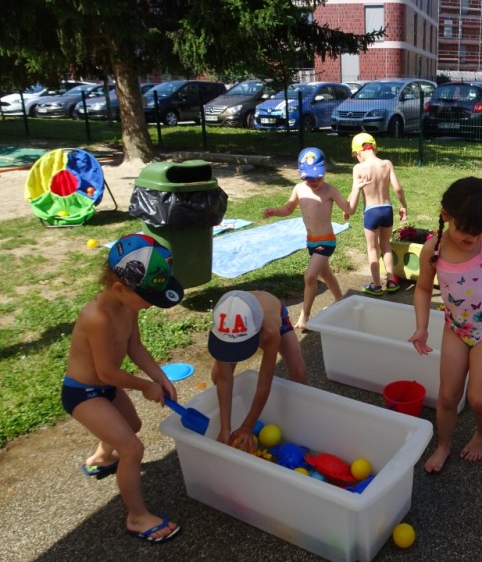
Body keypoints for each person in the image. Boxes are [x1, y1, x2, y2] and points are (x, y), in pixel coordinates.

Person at [62, 233, 184, 543]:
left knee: (132, 425)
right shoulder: (98, 317)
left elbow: (134, 347)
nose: (151, 304)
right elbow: (106, 371)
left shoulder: (128, 306)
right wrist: (145, 386)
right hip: (83, 393)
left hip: (106, 388)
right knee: (132, 448)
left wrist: (159, 378)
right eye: (148, 297)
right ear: (119, 287)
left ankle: (101, 458)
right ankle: (137, 518)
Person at [408, 176, 482, 473]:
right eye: (464, 230)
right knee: (447, 396)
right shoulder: (433, 250)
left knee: (479, 399)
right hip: (456, 329)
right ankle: (444, 444)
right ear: (446, 216)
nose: (472, 238)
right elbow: (423, 289)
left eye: (479, 231)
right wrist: (422, 327)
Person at [263, 147, 366, 330]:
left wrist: (356, 189)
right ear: (299, 173)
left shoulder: (330, 191)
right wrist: (274, 211)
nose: (314, 181)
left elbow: (349, 209)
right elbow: (288, 209)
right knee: (326, 274)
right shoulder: (299, 189)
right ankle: (340, 300)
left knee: (310, 276)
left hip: (326, 241)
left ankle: (305, 315)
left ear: (324, 170)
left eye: (317, 177)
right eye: (309, 178)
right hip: (311, 241)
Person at [208, 290, 308, 450]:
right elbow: (224, 379)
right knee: (217, 377)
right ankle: (236, 409)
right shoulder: (223, 328)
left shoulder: (270, 332)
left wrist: (247, 426)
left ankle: (297, 415)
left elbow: (263, 384)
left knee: (299, 372)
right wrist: (225, 428)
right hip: (241, 318)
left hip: (275, 315)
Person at [349, 132, 408, 296]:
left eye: (356, 156)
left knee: (372, 248)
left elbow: (355, 190)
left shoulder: (358, 168)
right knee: (386, 245)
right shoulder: (387, 164)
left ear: (358, 152)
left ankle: (376, 285)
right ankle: (391, 281)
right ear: (374, 148)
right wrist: (403, 206)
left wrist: (347, 208)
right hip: (387, 209)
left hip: (371, 211)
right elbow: (397, 188)